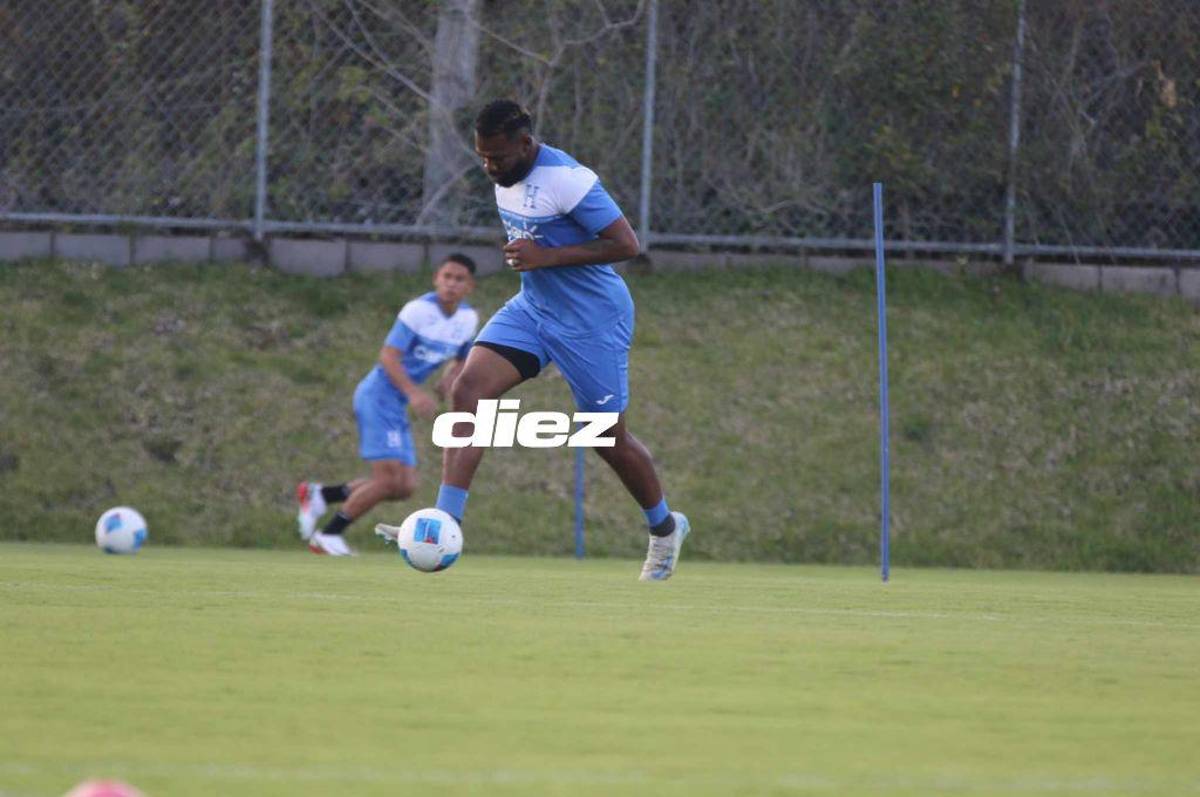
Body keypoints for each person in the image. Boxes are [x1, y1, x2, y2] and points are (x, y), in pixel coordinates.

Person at [385, 99, 690, 581]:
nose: (490, 167)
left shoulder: (568, 178)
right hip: (534, 309)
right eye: (482, 157)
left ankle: (665, 528)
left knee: (606, 438)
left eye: (499, 158)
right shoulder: (505, 174)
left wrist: (546, 258)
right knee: (468, 389)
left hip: (592, 321)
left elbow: (627, 245)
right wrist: (538, 266)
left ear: (526, 145)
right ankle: (445, 521)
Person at [297, 254, 479, 555]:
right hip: (378, 397)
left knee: (404, 486)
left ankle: (321, 494)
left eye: (459, 279)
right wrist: (413, 393)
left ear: (469, 286)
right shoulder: (418, 310)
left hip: (394, 403)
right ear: (436, 278)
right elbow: (388, 356)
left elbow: (463, 357)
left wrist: (450, 379)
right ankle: (328, 535)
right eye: (446, 277)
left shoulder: (467, 319)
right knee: (387, 480)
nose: (451, 284)